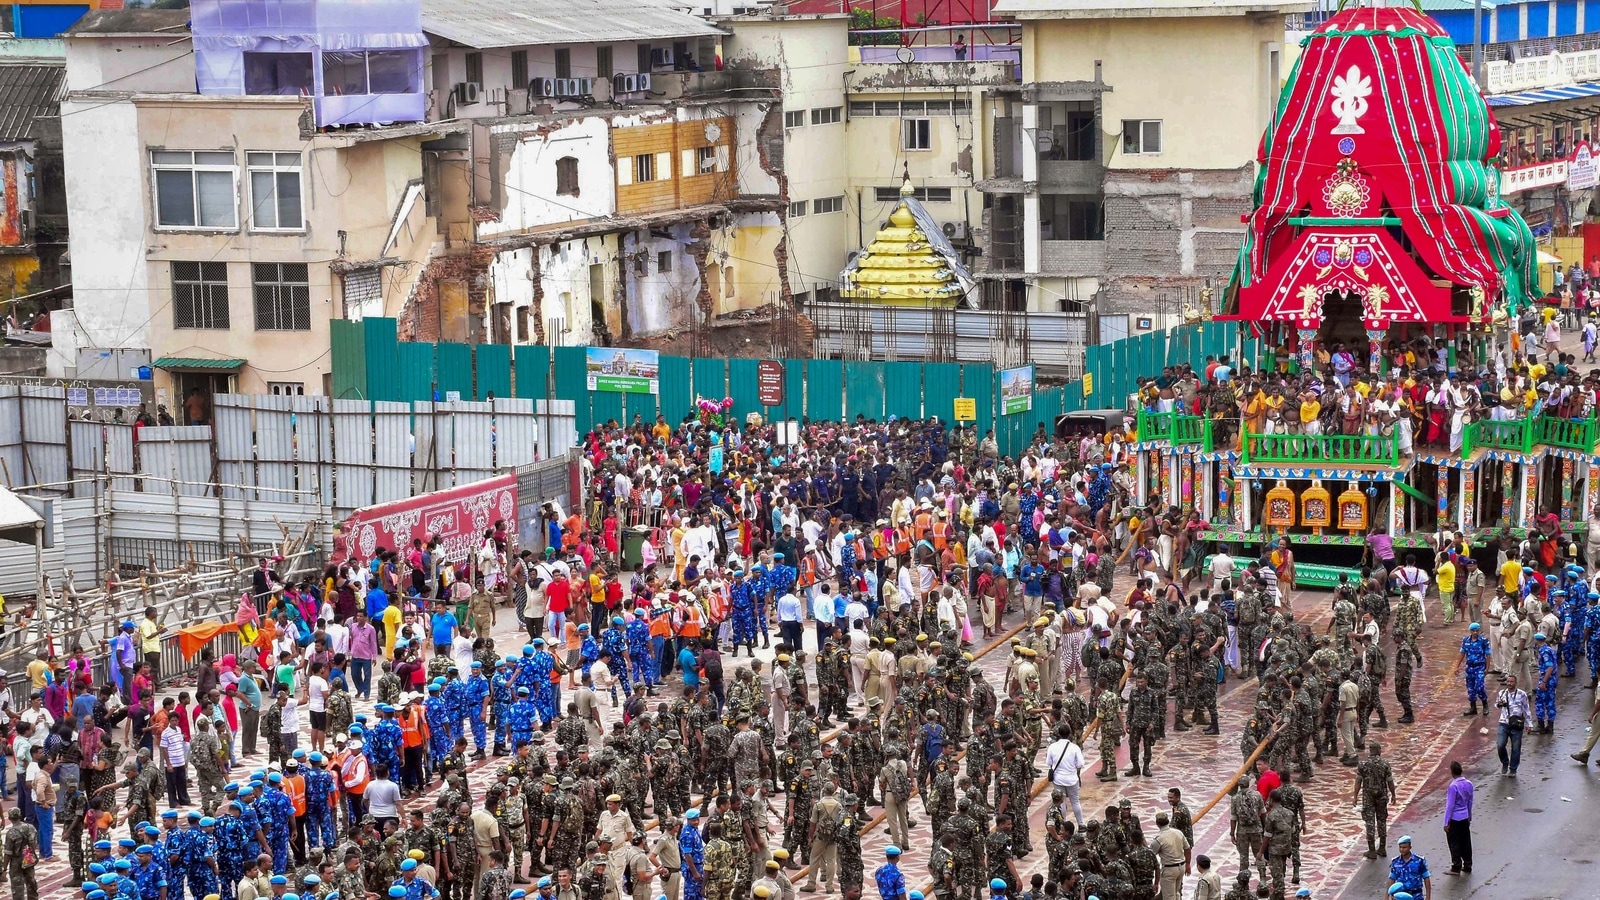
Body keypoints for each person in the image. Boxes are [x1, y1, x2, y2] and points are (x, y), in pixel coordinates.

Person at [1043, 725, 1084, 827]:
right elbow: (1080, 764)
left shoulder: (1052, 747)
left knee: (1061, 802)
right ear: (1069, 733)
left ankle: (1063, 824)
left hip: (1058, 779)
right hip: (1072, 779)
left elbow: (1048, 762)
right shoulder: (1075, 748)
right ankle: (1081, 823)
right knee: (1075, 801)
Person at [1495, 673, 1530, 776]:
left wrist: (1529, 724)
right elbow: (1497, 705)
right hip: (1504, 723)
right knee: (1500, 745)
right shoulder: (1502, 693)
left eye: (1511, 682)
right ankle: (1505, 763)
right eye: (1508, 681)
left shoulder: (1522, 694)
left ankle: (1513, 769)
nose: (1509, 683)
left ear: (1516, 683)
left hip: (1517, 724)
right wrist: (1499, 704)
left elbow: (1526, 709)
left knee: (1516, 748)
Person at [1441, 761, 1472, 876]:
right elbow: (1470, 801)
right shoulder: (1469, 784)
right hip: (1464, 817)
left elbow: (1450, 806)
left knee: (1454, 842)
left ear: (1452, 772)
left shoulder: (1453, 786)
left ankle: (1456, 866)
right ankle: (1468, 864)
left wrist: (1446, 822)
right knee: (1466, 841)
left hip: (1455, 818)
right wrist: (1469, 816)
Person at [1387, 836, 1431, 900]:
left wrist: (1428, 897)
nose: (1402, 849)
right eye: (1400, 847)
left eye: (1404, 847)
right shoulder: (1395, 862)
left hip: (1416, 896)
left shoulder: (1419, 861)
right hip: (1400, 896)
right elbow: (1391, 879)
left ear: (1410, 847)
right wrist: (1387, 896)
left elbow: (1426, 878)